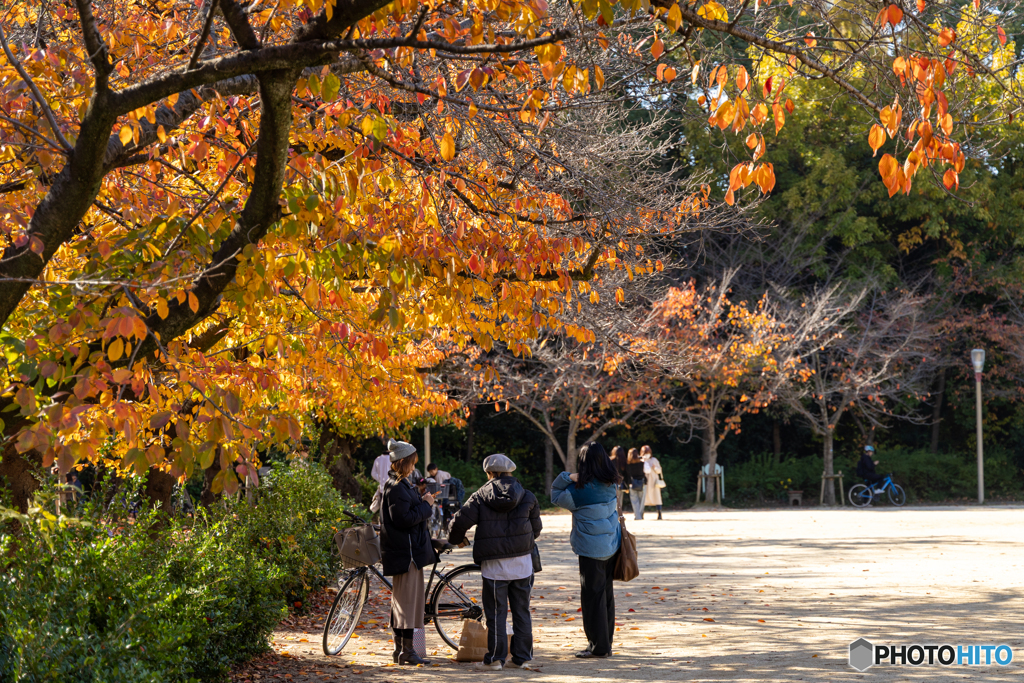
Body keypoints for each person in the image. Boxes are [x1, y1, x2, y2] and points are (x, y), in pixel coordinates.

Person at [448, 454, 542, 671]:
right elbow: (536, 530)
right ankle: (522, 657)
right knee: (522, 611)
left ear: (490, 473)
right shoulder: (527, 495)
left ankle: (496, 659)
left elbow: (460, 521)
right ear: (510, 472)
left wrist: (455, 540)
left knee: (496, 614)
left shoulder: (480, 496)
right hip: (522, 564)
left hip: (494, 567)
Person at [550, 442, 621, 659]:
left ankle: (598, 647)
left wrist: (568, 477)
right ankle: (605, 643)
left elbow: (554, 495)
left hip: (591, 550)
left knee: (592, 598)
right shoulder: (611, 484)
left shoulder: (578, 491)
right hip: (611, 545)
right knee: (606, 595)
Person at [380, 439, 436, 666]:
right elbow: (403, 519)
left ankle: (402, 651)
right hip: (406, 554)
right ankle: (406, 651)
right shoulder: (396, 487)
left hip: (407, 552)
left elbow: (404, 514)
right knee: (408, 603)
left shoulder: (398, 485)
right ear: (404, 463)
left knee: (404, 603)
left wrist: (421, 502)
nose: (415, 466)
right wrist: (427, 505)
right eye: (412, 462)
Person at [641, 445, 664, 520]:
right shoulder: (641, 460)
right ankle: (641, 514)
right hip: (645, 481)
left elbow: (659, 470)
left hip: (654, 481)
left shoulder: (654, 460)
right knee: (643, 498)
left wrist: (655, 467)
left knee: (657, 497)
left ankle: (659, 514)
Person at [626, 447, 646, 520]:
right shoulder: (642, 463)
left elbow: (627, 475)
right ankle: (641, 515)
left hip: (632, 483)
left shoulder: (628, 464)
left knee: (634, 501)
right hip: (642, 482)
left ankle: (637, 516)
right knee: (641, 500)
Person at [609, 446, 628, 510]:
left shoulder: (610, 460)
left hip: (611, 483)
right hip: (620, 483)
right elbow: (626, 474)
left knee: (611, 499)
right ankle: (618, 514)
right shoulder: (625, 462)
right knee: (619, 500)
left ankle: (613, 514)